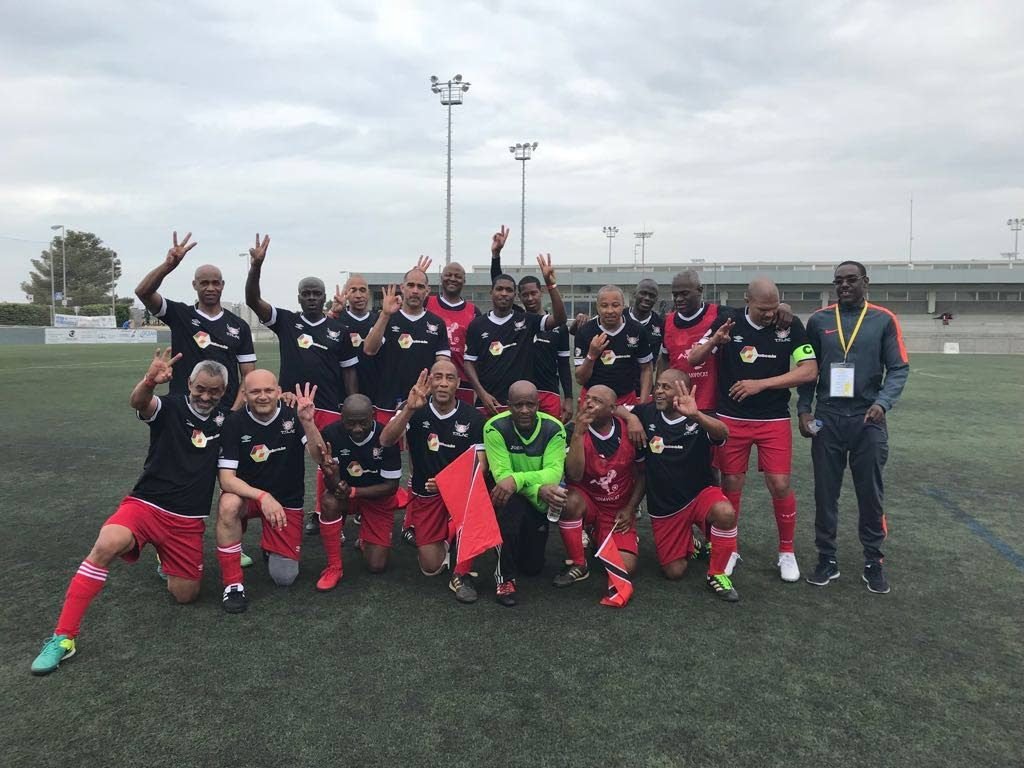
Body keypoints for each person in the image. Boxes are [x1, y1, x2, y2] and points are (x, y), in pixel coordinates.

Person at [31, 351, 229, 675]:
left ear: (224, 391)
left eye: (214, 391)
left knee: (186, 595)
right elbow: (140, 403)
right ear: (190, 384)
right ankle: (63, 637)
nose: (206, 396)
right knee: (107, 543)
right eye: (200, 389)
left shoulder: (226, 422)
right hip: (146, 505)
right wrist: (150, 381)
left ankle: (164, 559)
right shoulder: (171, 406)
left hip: (187, 521)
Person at [688, 278, 818, 582]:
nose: (770, 315)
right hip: (731, 419)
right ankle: (729, 548)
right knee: (731, 483)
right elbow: (694, 358)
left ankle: (786, 552)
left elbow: (809, 369)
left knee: (780, 483)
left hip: (773, 418)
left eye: (774, 308)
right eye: (763, 309)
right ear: (747, 300)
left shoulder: (790, 325)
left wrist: (761, 384)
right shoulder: (727, 322)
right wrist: (713, 342)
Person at [797, 261, 910, 594]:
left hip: (867, 418)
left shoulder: (883, 320)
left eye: (851, 280)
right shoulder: (818, 321)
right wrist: (804, 410)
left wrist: (882, 403)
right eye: (838, 281)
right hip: (828, 417)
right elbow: (807, 370)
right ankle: (826, 558)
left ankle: (874, 560)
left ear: (865, 282)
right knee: (825, 493)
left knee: (870, 494)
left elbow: (899, 369)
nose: (844, 285)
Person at [244, 234, 359, 536]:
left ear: (324, 298)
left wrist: (350, 403)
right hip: (289, 406)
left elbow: (349, 372)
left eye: (316, 293)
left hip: (329, 406)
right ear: (298, 298)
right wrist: (256, 267)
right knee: (284, 458)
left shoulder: (339, 330)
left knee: (329, 463)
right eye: (306, 293)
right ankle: (284, 511)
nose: (311, 297)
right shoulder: (285, 321)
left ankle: (325, 514)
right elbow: (253, 300)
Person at [380, 361, 487, 602]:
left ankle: (460, 543)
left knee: (476, 500)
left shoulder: (472, 417)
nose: (443, 383)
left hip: (460, 495)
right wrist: (408, 408)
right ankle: (449, 534)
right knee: (431, 568)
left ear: (458, 384)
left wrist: (448, 483)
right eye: (437, 377)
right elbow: (386, 440)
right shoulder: (413, 408)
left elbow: (481, 465)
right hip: (425, 495)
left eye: (450, 378)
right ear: (430, 382)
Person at [633, 369, 741, 601]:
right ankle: (691, 543)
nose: (659, 391)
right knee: (674, 572)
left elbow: (724, 433)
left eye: (666, 387)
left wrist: (697, 416)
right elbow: (617, 408)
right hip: (665, 505)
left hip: (699, 494)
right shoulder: (646, 412)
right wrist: (631, 418)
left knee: (725, 512)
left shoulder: (698, 418)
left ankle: (717, 573)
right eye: (657, 386)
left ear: (681, 391)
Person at [215, 370, 308, 613]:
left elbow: (320, 457)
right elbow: (226, 480)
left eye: (268, 390)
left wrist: (308, 422)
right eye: (255, 391)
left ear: (279, 391)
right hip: (251, 498)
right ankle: (233, 584)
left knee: (284, 577)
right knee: (228, 504)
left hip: (286, 500)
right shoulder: (233, 423)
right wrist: (263, 496)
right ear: (244, 395)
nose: (263, 396)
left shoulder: (294, 414)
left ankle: (271, 543)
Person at [135, 231, 256, 410]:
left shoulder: (239, 326)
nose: (210, 288)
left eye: (215, 283)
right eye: (204, 283)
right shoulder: (179, 314)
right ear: (194, 285)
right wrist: (168, 265)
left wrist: (234, 413)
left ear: (222, 285)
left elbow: (249, 376)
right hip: (182, 409)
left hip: (223, 411)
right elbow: (143, 292)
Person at [298, 393, 402, 588]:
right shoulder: (331, 434)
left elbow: (391, 487)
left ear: (373, 414)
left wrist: (353, 491)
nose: (356, 429)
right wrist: (333, 476)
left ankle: (366, 538)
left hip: (377, 498)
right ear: (341, 416)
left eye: (363, 423)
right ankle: (334, 567)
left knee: (377, 565)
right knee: (328, 502)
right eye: (350, 423)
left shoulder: (386, 436)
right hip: (347, 496)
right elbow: (333, 487)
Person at [483, 381, 568, 607]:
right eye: (518, 405)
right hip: (509, 497)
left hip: (538, 499)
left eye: (530, 405)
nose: (524, 411)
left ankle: (510, 543)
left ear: (538, 404)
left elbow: (553, 475)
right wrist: (536, 486)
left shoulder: (554, 428)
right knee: (509, 506)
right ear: (508, 405)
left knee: (532, 568)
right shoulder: (494, 427)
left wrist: (520, 480)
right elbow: (502, 477)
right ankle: (504, 579)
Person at [489, 226, 574, 422]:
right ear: (518, 296)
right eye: (524, 295)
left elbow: (563, 364)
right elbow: (499, 284)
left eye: (533, 293)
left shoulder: (556, 326)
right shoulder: (517, 319)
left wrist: (568, 397)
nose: (530, 298)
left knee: (549, 439)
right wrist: (496, 256)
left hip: (548, 392)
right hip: (522, 394)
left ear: (541, 292)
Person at [464, 255, 567, 415]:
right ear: (491, 292)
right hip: (488, 403)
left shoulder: (527, 321)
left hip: (519, 406)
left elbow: (560, 319)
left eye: (509, 290)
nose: (504, 293)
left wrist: (551, 284)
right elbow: (469, 363)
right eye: (499, 289)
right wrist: (482, 393)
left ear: (514, 296)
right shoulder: (477, 325)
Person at [564, 385, 646, 580]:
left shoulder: (631, 430)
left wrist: (631, 508)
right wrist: (578, 434)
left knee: (626, 567)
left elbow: (643, 475)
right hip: (588, 501)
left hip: (617, 509)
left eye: (597, 401)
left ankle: (595, 532)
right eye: (588, 399)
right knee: (568, 502)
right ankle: (578, 562)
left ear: (612, 409)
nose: (589, 403)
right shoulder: (570, 431)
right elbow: (574, 475)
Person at [363, 269, 451, 425]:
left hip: (424, 403)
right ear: (402, 288)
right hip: (387, 403)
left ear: (427, 291)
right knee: (388, 446)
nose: (415, 291)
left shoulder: (437, 323)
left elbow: (442, 365)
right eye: (410, 285)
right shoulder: (384, 317)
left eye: (420, 286)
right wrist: (385, 314)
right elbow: (369, 349)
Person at [574, 285, 654, 406]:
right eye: (604, 305)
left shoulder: (636, 330)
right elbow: (580, 379)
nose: (610, 311)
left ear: (623, 306)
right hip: (592, 400)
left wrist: (642, 404)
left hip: (626, 400)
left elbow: (646, 369)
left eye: (615, 305)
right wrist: (591, 355)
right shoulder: (585, 331)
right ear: (597, 307)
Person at [424, 259, 481, 405]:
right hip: (430, 380)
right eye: (448, 275)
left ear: (464, 281)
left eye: (458, 276)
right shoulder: (427, 303)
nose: (453, 279)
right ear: (441, 278)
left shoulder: (473, 311)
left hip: (464, 381)